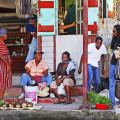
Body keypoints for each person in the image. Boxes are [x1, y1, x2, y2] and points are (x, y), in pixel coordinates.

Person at [109, 25, 120, 106]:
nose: (113, 33)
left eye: (114, 31)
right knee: (112, 82)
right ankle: (111, 102)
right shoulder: (114, 39)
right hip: (113, 63)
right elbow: (112, 49)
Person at [0, 28, 12, 99]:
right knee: (2, 84)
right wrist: (7, 65)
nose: (6, 35)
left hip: (4, 65)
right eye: (5, 34)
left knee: (2, 83)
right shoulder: (0, 42)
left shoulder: (2, 42)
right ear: (2, 35)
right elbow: (1, 55)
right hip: (3, 66)